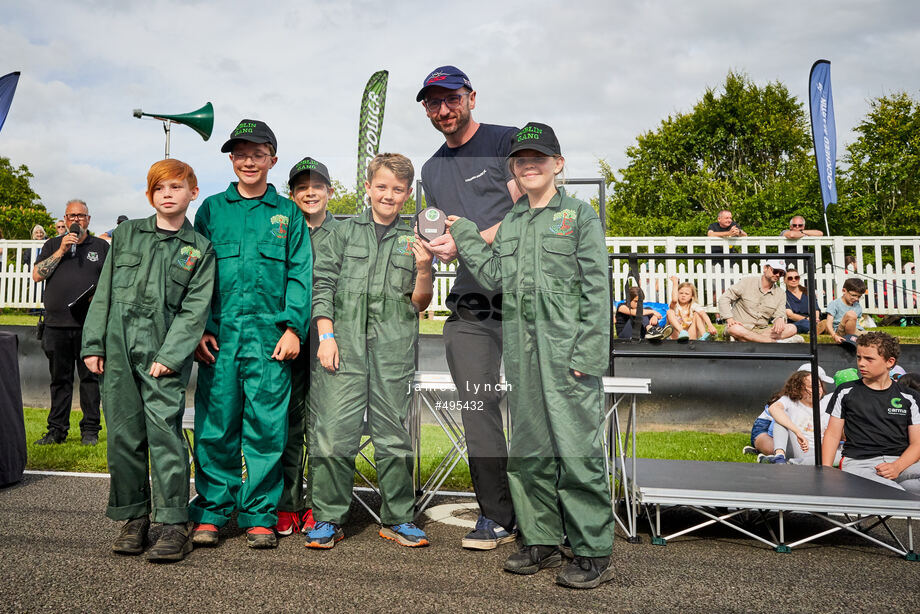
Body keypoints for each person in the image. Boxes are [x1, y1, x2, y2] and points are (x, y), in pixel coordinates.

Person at [449, 122, 615, 590]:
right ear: (514, 170)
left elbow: (596, 289)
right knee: (528, 453)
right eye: (522, 160)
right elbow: (494, 275)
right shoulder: (515, 221)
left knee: (577, 453)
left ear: (558, 164)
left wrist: (588, 352)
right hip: (521, 355)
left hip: (567, 357)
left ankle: (590, 549)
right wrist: (464, 233)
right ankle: (539, 540)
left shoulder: (579, 216)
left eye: (539, 158)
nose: (529, 165)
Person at [81, 159, 215, 562]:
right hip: (119, 347)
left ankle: (174, 523)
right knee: (123, 432)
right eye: (160, 189)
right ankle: (134, 518)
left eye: (176, 187)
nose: (168, 194)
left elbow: (195, 310)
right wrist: (93, 343)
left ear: (193, 192)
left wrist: (171, 356)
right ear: (149, 196)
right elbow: (103, 291)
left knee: (164, 433)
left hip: (163, 353)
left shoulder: (199, 249)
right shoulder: (125, 234)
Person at [189, 119, 312, 550]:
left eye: (257, 154)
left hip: (269, 340)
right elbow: (196, 275)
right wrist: (200, 327)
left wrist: (294, 327)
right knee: (216, 426)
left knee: (266, 428)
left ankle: (259, 514)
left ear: (272, 160)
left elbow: (300, 274)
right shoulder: (210, 210)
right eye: (240, 153)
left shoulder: (287, 213)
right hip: (220, 339)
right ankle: (211, 512)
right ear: (231, 158)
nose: (248, 161)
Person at [305, 153, 433, 550]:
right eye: (381, 187)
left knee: (393, 434)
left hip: (392, 349)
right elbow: (321, 284)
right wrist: (326, 336)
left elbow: (420, 303)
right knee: (331, 434)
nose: (388, 195)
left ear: (408, 194)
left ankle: (397, 518)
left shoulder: (414, 240)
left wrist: (425, 268)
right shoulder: (341, 233)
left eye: (397, 189)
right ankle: (328, 517)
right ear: (368, 188)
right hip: (341, 348)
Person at [417, 65, 521, 549]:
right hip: (471, 302)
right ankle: (496, 515)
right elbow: (438, 229)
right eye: (433, 103)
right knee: (478, 404)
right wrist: (434, 246)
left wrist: (472, 240)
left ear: (471, 97)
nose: (443, 109)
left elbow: (526, 212)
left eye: (451, 99)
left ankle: (547, 508)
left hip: (524, 295)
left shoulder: (507, 142)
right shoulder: (431, 169)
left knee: (535, 404)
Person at [274, 157, 338, 537]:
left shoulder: (345, 233)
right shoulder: (282, 230)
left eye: (317, 186)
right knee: (289, 422)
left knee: (324, 426)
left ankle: (318, 503)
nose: (309, 192)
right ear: (293, 193)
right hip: (291, 336)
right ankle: (288, 503)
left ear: (329, 191)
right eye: (301, 187)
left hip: (329, 340)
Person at [31, 199, 109, 445]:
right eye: (71, 216)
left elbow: (111, 283)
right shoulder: (52, 244)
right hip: (56, 325)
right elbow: (36, 275)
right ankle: (56, 431)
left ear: (88, 219)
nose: (76, 220)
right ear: (64, 220)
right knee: (60, 381)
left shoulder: (100, 246)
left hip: (90, 327)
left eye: (81, 216)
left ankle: (90, 431)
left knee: (90, 380)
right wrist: (61, 250)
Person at [823, 332, 920, 493]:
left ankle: (905, 492)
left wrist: (896, 467)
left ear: (890, 362)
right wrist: (825, 472)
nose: (861, 363)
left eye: (869, 359)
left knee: (900, 490)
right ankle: (903, 494)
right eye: (859, 357)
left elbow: (917, 443)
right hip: (859, 465)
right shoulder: (846, 391)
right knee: (893, 491)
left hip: (901, 464)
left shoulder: (909, 397)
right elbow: (832, 434)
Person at [759, 368, 837, 465]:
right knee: (781, 417)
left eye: (820, 386)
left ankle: (791, 463)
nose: (818, 390)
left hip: (819, 451)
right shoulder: (790, 401)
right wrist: (797, 432)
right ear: (798, 388)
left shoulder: (827, 402)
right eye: (811, 386)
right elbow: (773, 408)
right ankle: (780, 456)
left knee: (844, 455)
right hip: (796, 448)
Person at [718, 259, 800, 343]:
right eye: (775, 271)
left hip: (762, 330)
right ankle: (774, 342)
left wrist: (780, 318)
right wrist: (729, 319)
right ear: (765, 268)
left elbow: (780, 312)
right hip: (740, 326)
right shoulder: (747, 282)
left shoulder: (780, 293)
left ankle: (746, 340)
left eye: (781, 273)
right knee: (734, 329)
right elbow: (724, 298)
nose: (778, 275)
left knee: (792, 328)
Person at [666, 275, 717, 341]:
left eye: (687, 294)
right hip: (676, 335)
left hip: (690, 335)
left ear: (692, 296)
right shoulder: (675, 306)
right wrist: (675, 283)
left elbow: (703, 314)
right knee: (670, 311)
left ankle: (704, 336)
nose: (683, 295)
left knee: (697, 314)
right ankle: (682, 332)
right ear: (677, 294)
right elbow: (674, 300)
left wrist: (710, 325)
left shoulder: (693, 305)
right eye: (681, 293)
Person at [783, 268, 826, 335]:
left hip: (813, 319)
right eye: (790, 278)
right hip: (797, 322)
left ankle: (818, 328)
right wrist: (807, 319)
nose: (794, 280)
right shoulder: (784, 296)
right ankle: (818, 329)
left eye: (796, 277)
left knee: (826, 320)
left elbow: (816, 308)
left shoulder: (808, 292)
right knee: (804, 323)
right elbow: (790, 315)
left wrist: (816, 318)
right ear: (785, 280)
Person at [825, 278, 868, 344]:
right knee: (851, 314)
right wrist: (834, 335)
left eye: (859, 296)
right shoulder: (835, 304)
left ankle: (855, 338)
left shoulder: (857, 306)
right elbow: (828, 323)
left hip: (856, 331)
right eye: (853, 295)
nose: (856, 298)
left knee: (879, 335)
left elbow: (856, 323)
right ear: (844, 291)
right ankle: (851, 341)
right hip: (841, 331)